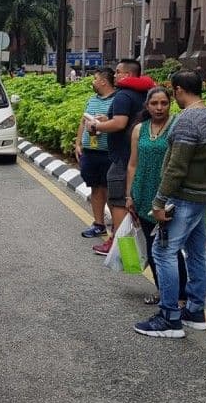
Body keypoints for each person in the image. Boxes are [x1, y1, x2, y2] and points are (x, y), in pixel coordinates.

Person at [135, 70, 206, 339]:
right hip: (202, 195)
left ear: (180, 90)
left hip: (183, 197)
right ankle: (194, 311)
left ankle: (170, 317)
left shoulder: (186, 120)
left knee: (163, 253)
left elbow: (176, 167)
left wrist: (159, 201)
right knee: (196, 252)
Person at [125, 86, 187, 305]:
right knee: (153, 248)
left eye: (164, 103)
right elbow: (133, 164)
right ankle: (163, 290)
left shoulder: (177, 126)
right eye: (154, 103)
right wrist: (129, 195)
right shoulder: (139, 129)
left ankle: (180, 296)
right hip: (142, 193)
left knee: (170, 248)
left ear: (170, 104)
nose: (159, 108)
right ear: (147, 105)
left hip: (167, 196)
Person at [86, 59, 155, 255]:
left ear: (128, 75)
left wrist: (96, 126)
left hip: (123, 157)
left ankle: (118, 246)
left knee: (117, 200)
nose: (114, 75)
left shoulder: (123, 95)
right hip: (141, 154)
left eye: (117, 72)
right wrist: (108, 120)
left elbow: (119, 123)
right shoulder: (145, 93)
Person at [75, 67, 116, 240]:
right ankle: (99, 224)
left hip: (109, 153)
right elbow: (83, 122)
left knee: (112, 191)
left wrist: (107, 121)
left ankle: (118, 227)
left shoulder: (118, 101)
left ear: (103, 81)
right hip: (90, 152)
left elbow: (121, 123)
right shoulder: (92, 99)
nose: (93, 81)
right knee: (95, 188)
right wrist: (78, 143)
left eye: (95, 78)